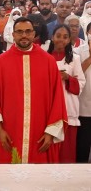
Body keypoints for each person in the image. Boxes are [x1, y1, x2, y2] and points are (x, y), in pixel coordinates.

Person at [0, 17, 68, 163]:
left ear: (34, 34)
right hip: (9, 131)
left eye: (28, 31)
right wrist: (0, 131)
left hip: (40, 132)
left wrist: (51, 132)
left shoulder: (48, 61)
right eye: (19, 32)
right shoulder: (2, 62)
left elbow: (57, 99)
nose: (24, 35)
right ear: (13, 35)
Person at [47, 24, 85, 163]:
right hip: (48, 109)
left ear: (69, 40)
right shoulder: (44, 58)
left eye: (65, 37)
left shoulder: (74, 59)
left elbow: (81, 83)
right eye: (58, 36)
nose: (61, 40)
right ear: (52, 38)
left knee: (66, 152)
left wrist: (68, 78)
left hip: (68, 108)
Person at [76, 22, 91, 162]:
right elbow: (77, 74)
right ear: (87, 33)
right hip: (84, 107)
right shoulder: (79, 51)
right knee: (83, 146)